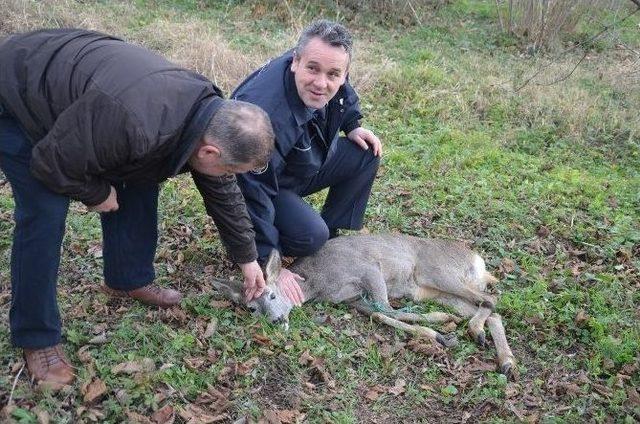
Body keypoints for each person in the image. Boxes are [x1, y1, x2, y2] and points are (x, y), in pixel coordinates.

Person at [0, 28, 274, 390]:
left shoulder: (205, 118)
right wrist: (96, 192)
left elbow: (221, 187)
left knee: (141, 177)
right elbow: (50, 164)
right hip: (15, 92)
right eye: (230, 169)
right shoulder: (137, 123)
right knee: (45, 211)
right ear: (211, 152)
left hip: (84, 100)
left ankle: (127, 278)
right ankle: (36, 337)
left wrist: (247, 257)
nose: (227, 178)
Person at [233, 20, 382, 305]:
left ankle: (336, 239)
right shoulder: (264, 118)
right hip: (262, 182)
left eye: (333, 74)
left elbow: (342, 93)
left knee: (365, 153)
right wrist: (269, 260)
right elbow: (248, 188)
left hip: (299, 161)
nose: (321, 82)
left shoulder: (327, 64)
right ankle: (255, 243)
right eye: (312, 69)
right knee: (313, 236)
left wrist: (352, 124)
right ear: (295, 62)